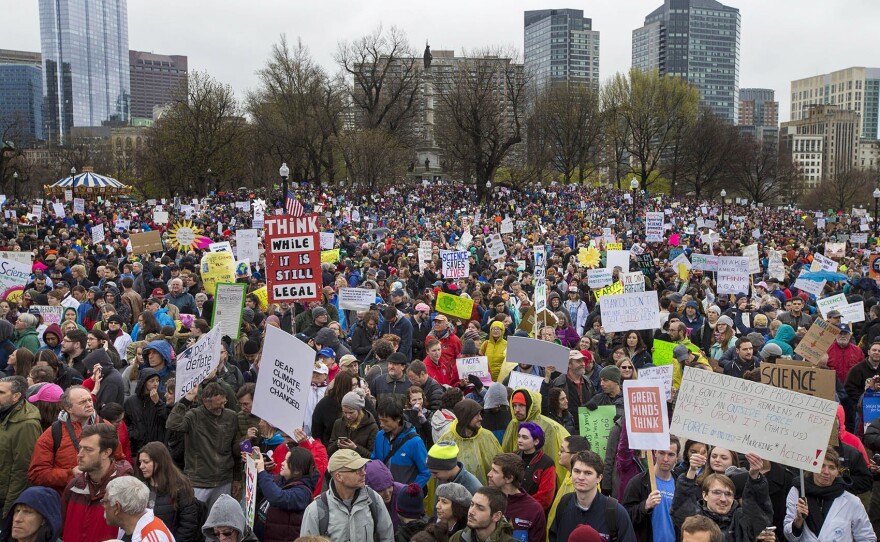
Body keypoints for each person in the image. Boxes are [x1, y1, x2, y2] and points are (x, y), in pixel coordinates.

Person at [27, 385, 124, 494]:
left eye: (89, 400)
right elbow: (36, 474)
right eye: (82, 402)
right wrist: (70, 474)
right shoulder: (54, 433)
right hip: (67, 500)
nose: (89, 404)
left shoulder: (106, 428)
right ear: (68, 408)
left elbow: (120, 461)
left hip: (101, 498)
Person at [166, 382, 241, 509]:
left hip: (224, 480)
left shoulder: (231, 416)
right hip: (199, 481)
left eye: (224, 403)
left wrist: (237, 478)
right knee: (195, 520)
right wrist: (186, 400)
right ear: (206, 401)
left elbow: (235, 449)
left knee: (219, 523)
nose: (222, 407)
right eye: (218, 404)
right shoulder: (193, 416)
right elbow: (172, 424)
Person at [671, 451, 772, 541]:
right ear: (705, 495)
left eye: (728, 494)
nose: (723, 499)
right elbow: (681, 505)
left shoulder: (742, 518)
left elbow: (760, 514)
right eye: (717, 492)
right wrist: (692, 471)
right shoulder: (694, 517)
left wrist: (755, 476)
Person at [783, 446, 875, 541]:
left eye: (832, 467)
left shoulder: (851, 501)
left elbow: (867, 537)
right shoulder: (797, 492)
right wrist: (798, 521)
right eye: (821, 465)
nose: (826, 472)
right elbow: (789, 537)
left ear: (837, 472)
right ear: (812, 467)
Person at [300, 449, 395, 542]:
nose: (364, 473)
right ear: (339, 476)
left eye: (363, 467)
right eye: (357, 470)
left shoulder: (373, 498)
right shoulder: (316, 510)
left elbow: (387, 537)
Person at [60, 423, 134, 542]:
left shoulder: (126, 491)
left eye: (88, 450)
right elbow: (62, 530)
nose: (80, 455)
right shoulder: (73, 487)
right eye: (80, 448)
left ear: (106, 453)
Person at [548, 450, 636, 542]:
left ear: (599, 478)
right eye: (577, 471)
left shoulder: (615, 512)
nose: (581, 477)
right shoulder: (564, 503)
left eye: (588, 473)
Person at [135, 441, 201, 541]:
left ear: (160, 462)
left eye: (146, 462)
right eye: (140, 462)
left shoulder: (180, 486)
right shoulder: (140, 485)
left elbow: (188, 524)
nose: (141, 466)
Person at [254, 445, 318, 541]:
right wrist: (256, 465)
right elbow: (265, 483)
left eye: (287, 461)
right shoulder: (282, 479)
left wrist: (262, 471)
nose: (282, 463)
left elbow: (277, 497)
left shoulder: (303, 492)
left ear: (297, 470)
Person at [622, 437, 680, 542]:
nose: (666, 459)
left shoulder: (679, 484)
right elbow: (624, 516)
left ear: (677, 457)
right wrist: (645, 506)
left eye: (671, 454)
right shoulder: (638, 482)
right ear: (655, 453)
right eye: (662, 453)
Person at [0, 376, 42, 519]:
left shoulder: (27, 424)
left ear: (16, 396)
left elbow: (22, 469)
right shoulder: (4, 413)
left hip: (5, 498)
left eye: (1, 393)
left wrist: (10, 506)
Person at [438, 398, 503, 485]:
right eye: (476, 415)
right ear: (466, 417)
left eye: (481, 414)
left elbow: (500, 466)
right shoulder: (446, 440)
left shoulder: (488, 436)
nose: (480, 418)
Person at [485, 453, 546, 542]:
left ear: (509, 478)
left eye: (495, 471)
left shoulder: (534, 510)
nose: (489, 474)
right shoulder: (485, 499)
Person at [371, 397, 430, 489]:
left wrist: (410, 491)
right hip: (383, 494)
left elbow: (426, 472)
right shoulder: (380, 436)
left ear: (398, 419)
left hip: (404, 498)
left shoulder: (415, 442)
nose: (381, 425)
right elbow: (375, 462)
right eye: (380, 420)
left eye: (385, 421)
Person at [103, 476, 175, 542]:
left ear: (117, 507)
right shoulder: (127, 526)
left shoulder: (152, 537)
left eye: (105, 502)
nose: (103, 506)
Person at [423, 441, 483, 518]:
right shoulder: (442, 477)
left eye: (435, 473)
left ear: (448, 467)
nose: (433, 477)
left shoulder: (473, 487)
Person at [540, 351, 594, 430]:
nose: (582, 364)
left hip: (588, 428)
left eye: (583, 361)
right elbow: (547, 405)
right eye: (578, 361)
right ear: (569, 364)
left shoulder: (588, 382)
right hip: (568, 428)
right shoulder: (558, 383)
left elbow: (595, 399)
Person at [449, 487, 517, 542]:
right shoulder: (458, 538)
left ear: (496, 516)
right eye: (472, 504)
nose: (471, 511)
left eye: (480, 508)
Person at [515, 422, 556, 512]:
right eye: (519, 436)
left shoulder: (547, 463)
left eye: (524, 437)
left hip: (534, 513)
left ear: (536, 441)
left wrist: (522, 506)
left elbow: (545, 497)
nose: (519, 440)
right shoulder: (514, 457)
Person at [328, 388, 379, 459]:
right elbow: (329, 451)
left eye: (351, 412)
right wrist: (337, 443)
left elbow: (372, 456)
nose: (348, 416)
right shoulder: (338, 423)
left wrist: (355, 448)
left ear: (359, 410)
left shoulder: (372, 427)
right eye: (345, 412)